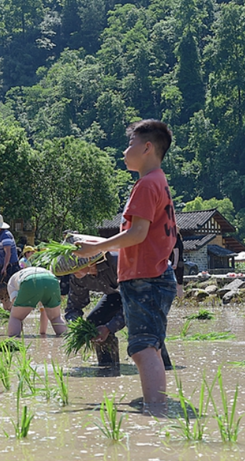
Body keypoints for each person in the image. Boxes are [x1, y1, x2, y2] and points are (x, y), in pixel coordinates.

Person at [74, 119, 177, 414]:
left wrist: (95, 249)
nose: (124, 151)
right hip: (153, 275)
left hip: (146, 279)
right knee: (150, 346)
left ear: (147, 147)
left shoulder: (147, 184)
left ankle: (156, 411)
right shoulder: (157, 181)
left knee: (143, 349)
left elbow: (138, 234)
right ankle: (156, 407)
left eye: (130, 143)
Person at [65, 252, 174, 370]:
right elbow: (73, 308)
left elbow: (133, 307)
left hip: (152, 285)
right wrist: (77, 326)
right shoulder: (77, 277)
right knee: (95, 321)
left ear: (90, 261)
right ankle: (108, 367)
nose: (72, 271)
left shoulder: (118, 263)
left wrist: (109, 327)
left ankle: (163, 367)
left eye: (75, 267)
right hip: (117, 292)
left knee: (146, 326)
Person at [6, 267, 67, 338]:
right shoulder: (22, 273)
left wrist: (18, 322)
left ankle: (14, 340)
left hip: (30, 281)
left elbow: (17, 306)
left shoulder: (11, 283)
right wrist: (42, 333)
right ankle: (65, 339)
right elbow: (43, 310)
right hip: (51, 279)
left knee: (16, 317)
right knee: (55, 318)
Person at [171, 231, 185, 299]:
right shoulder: (180, 240)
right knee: (179, 284)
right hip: (181, 263)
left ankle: (178, 298)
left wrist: (175, 263)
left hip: (176, 263)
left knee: (177, 284)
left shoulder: (175, 240)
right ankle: (180, 299)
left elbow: (176, 251)